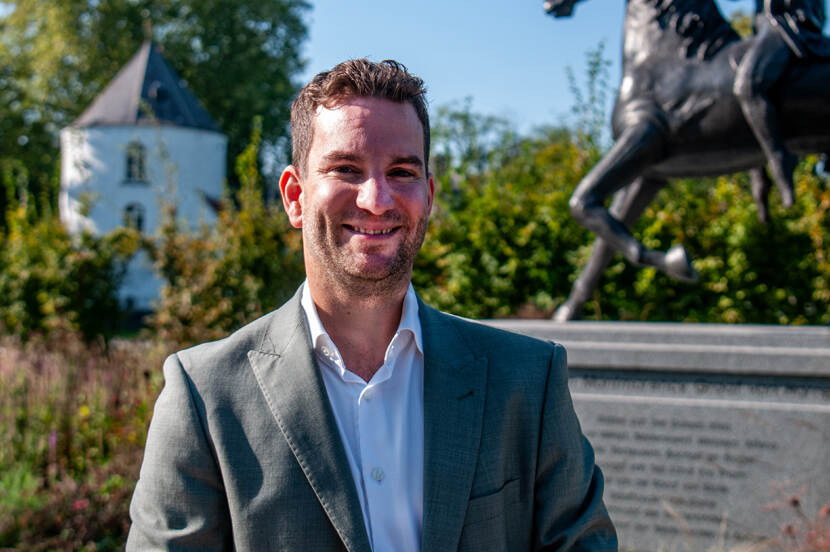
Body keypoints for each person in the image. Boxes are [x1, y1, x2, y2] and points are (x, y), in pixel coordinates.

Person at [127, 58, 616, 551]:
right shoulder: (205, 397)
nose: (378, 199)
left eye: (401, 171)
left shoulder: (528, 381)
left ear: (428, 196)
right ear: (294, 197)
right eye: (346, 169)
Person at [733, 0, 830, 206]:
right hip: (764, 29)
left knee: (749, 86)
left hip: (789, 25)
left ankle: (779, 159)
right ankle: (759, 171)